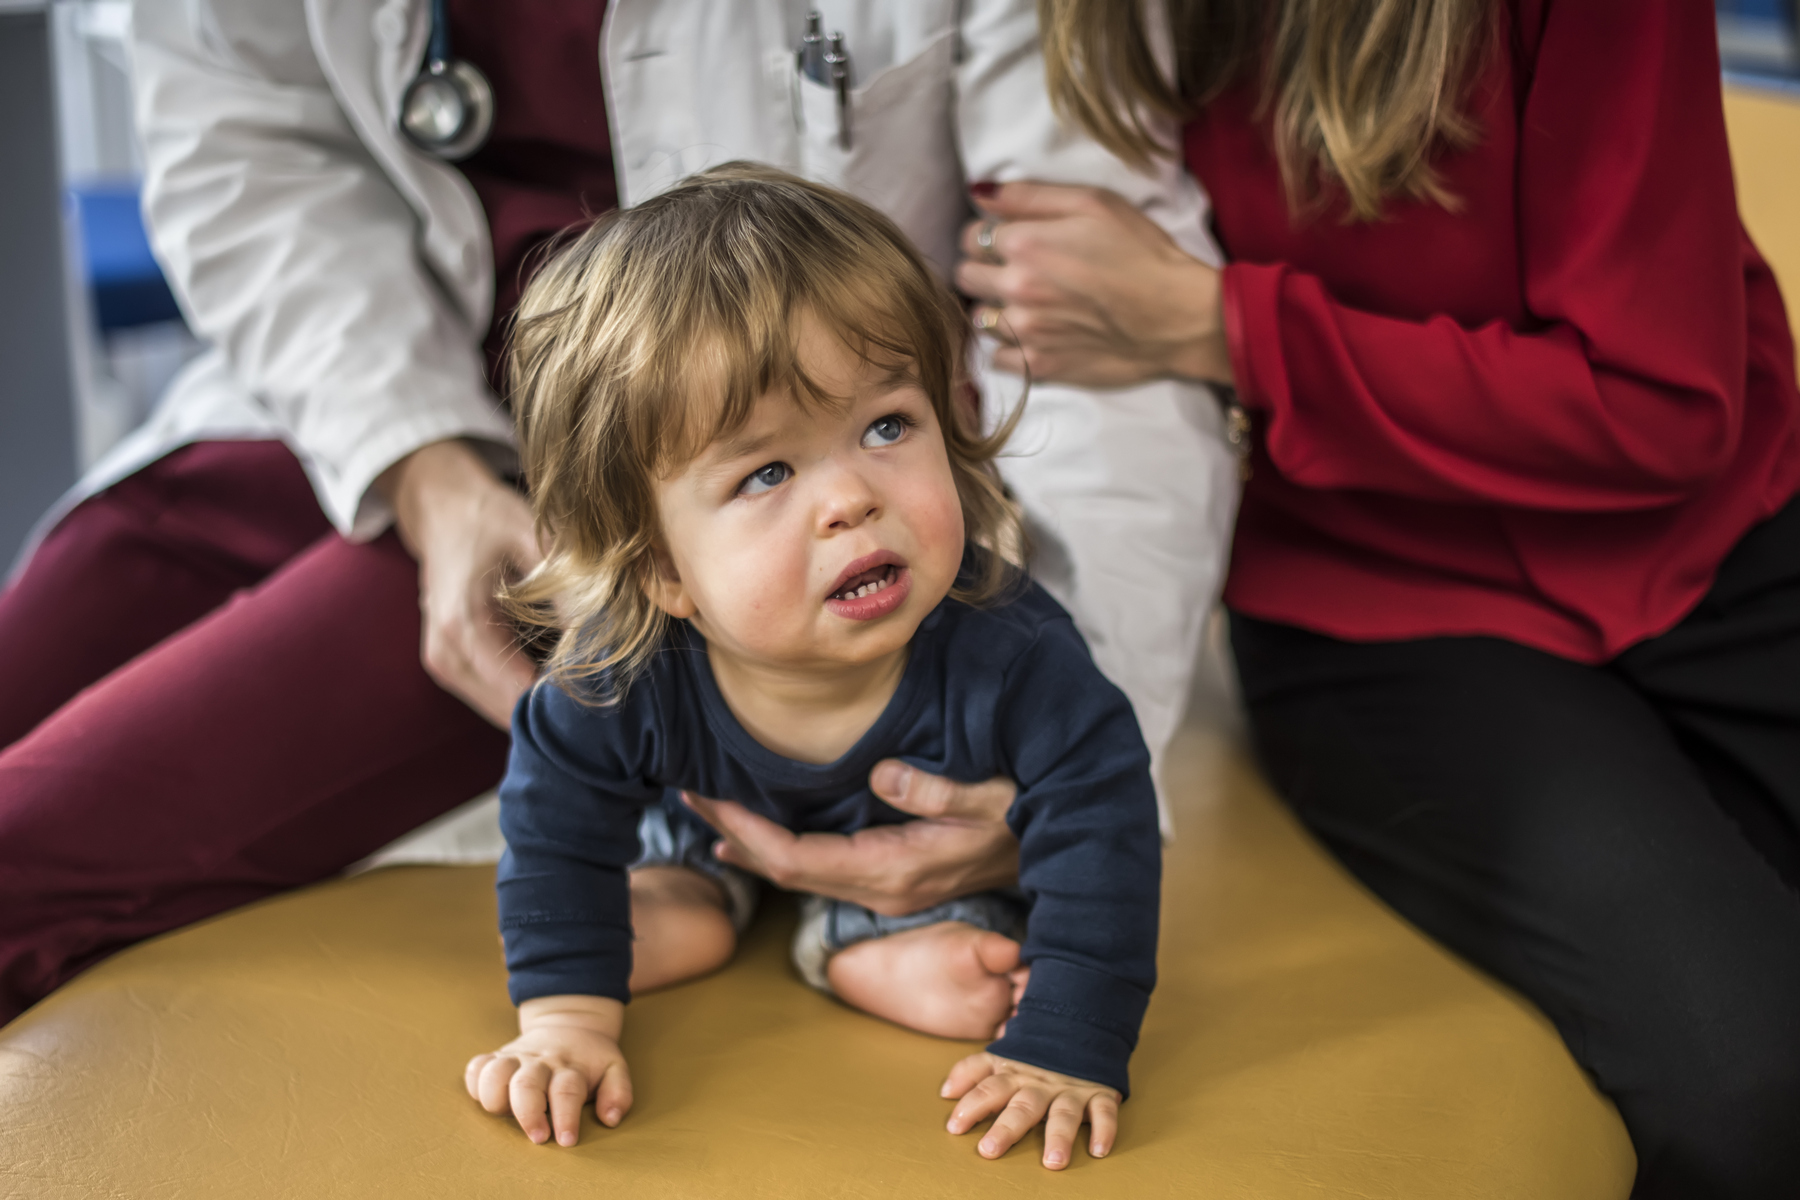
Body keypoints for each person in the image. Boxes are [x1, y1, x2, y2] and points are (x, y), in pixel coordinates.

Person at [0, 0, 1238, 1023]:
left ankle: (796, 904)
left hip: (721, 483)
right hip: (357, 397)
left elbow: (1094, 313)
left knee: (24, 855)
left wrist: (1046, 773)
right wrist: (423, 464)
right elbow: (245, 145)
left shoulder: (795, 565)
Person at [941, 0, 1800, 1196]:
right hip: (1377, 607)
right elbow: (1051, 335)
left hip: (1718, 533)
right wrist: (1049, 749)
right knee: (1756, 1081)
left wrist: (1223, 325)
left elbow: (1662, 403)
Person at [462, 166, 1161, 1169]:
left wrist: (1068, 1043)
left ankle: (853, 944)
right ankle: (695, 893)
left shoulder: (1016, 653)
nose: (850, 498)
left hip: (914, 852)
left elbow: (1102, 824)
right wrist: (566, 1018)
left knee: (980, 972)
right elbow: (555, 818)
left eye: (886, 427)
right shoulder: (625, 669)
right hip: (713, 815)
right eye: (767, 474)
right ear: (662, 569)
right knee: (604, 891)